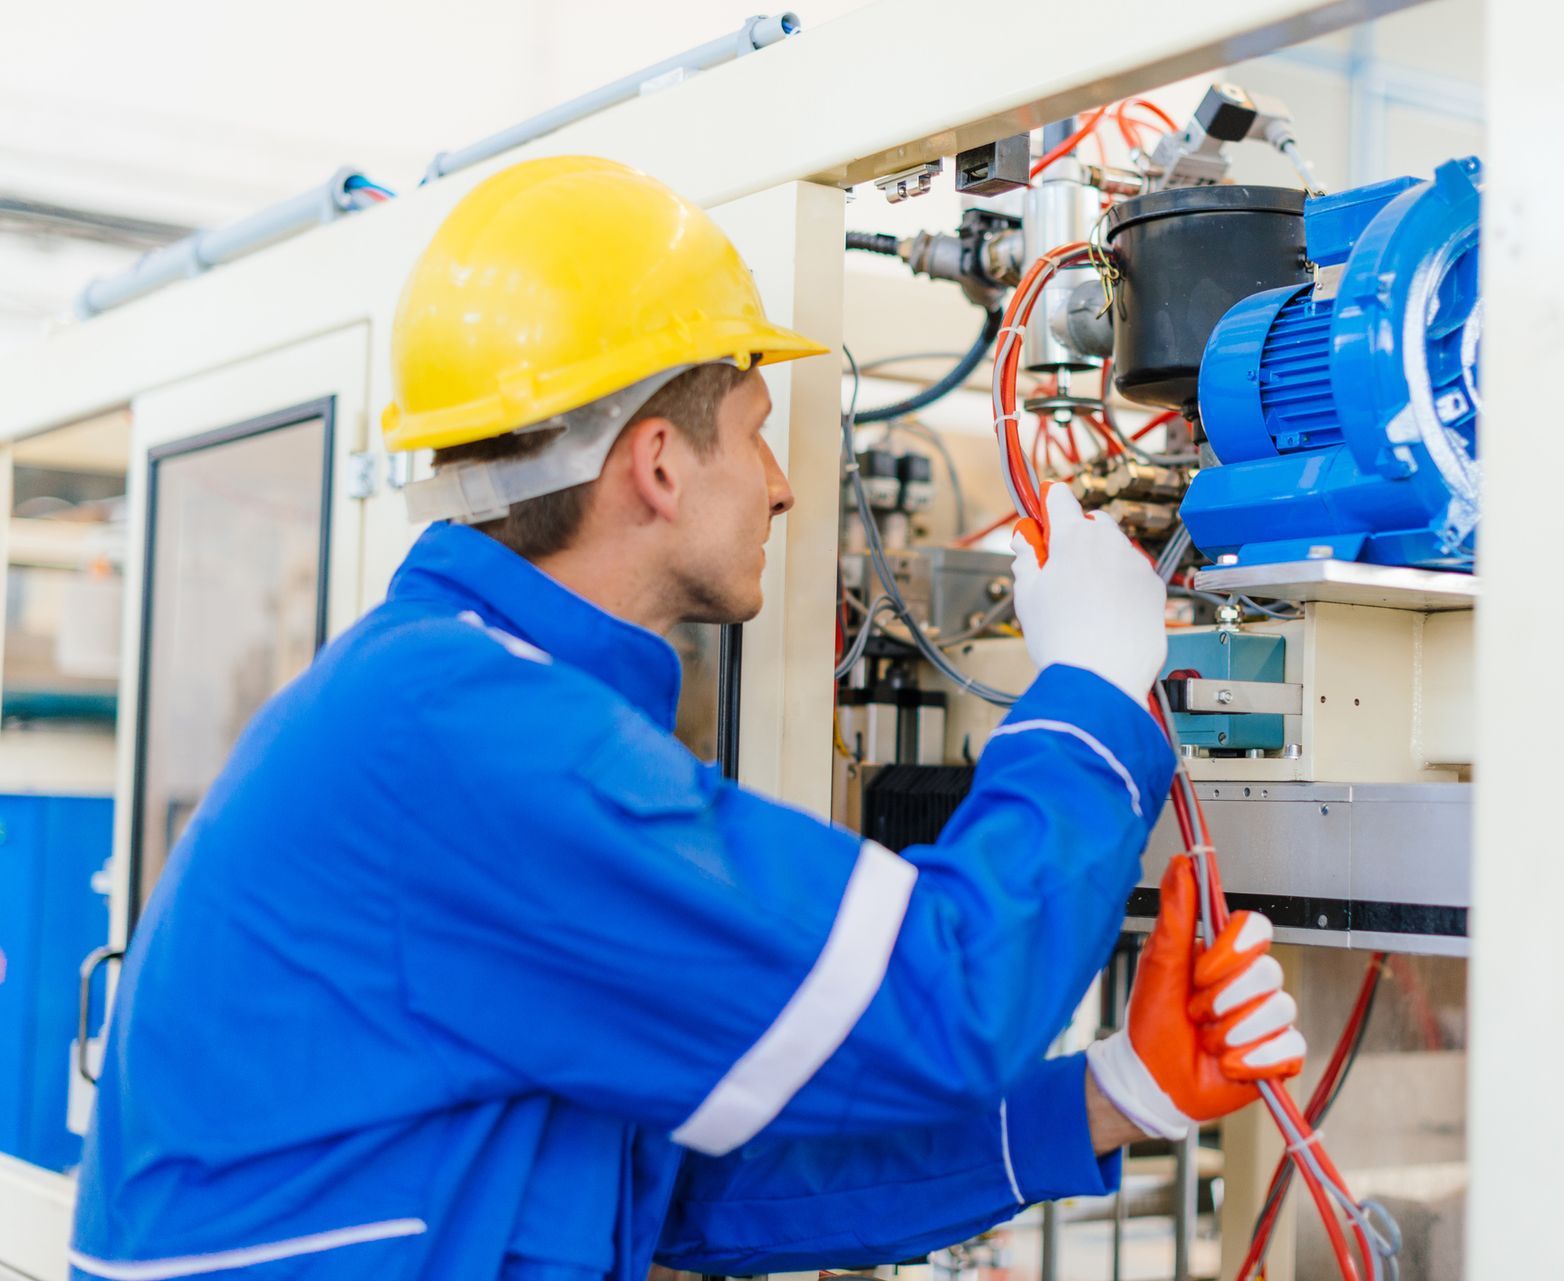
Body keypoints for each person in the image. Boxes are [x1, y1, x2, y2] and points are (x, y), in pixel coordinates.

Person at [70, 156, 1307, 1281]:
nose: (780, 488)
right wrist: (1088, 695)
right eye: (760, 436)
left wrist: (1113, 1097)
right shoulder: (473, 737)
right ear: (658, 464)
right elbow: (951, 996)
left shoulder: (452, 698)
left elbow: (669, 1191)